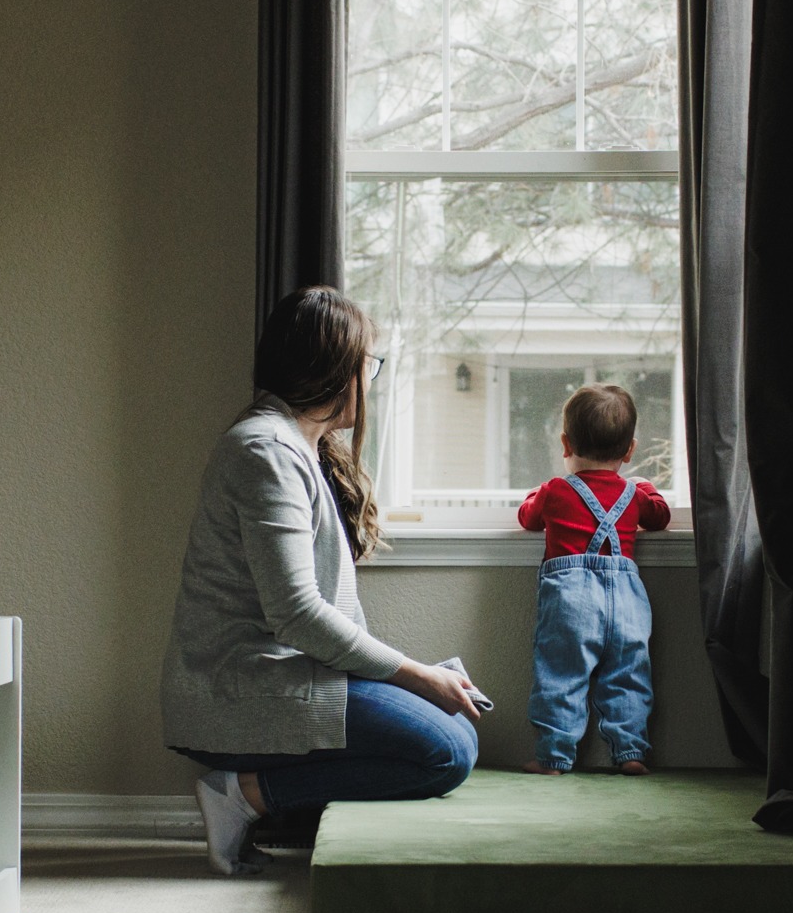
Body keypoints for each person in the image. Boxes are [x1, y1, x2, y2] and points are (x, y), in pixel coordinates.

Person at [161, 286, 481, 875]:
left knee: (454, 728)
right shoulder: (265, 451)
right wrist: (414, 673)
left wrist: (416, 678)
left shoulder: (295, 448)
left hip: (288, 676)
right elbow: (297, 615)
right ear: (334, 371)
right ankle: (240, 795)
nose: (371, 379)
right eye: (368, 366)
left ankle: (250, 794)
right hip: (241, 689)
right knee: (448, 752)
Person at [516, 384, 672, 777]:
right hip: (627, 603)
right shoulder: (633, 495)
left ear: (566, 444)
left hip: (571, 601)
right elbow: (660, 516)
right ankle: (631, 752)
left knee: (561, 676)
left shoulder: (555, 490)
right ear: (630, 450)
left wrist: (536, 492)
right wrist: (644, 485)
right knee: (628, 677)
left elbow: (527, 517)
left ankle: (553, 756)